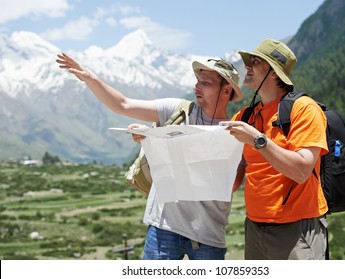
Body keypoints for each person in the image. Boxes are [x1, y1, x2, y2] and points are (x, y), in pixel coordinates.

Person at [56, 53, 244, 260]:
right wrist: (90, 78)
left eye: (205, 83)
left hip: (208, 232)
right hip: (163, 228)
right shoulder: (177, 110)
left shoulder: (236, 131)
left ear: (226, 90)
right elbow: (122, 105)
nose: (196, 87)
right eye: (197, 81)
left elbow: (234, 183)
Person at [220, 38, 329, 260]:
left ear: (273, 73)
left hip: (297, 228)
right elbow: (228, 168)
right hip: (254, 226)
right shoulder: (245, 116)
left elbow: (301, 171)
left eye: (255, 61)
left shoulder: (305, 109)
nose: (247, 66)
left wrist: (258, 140)